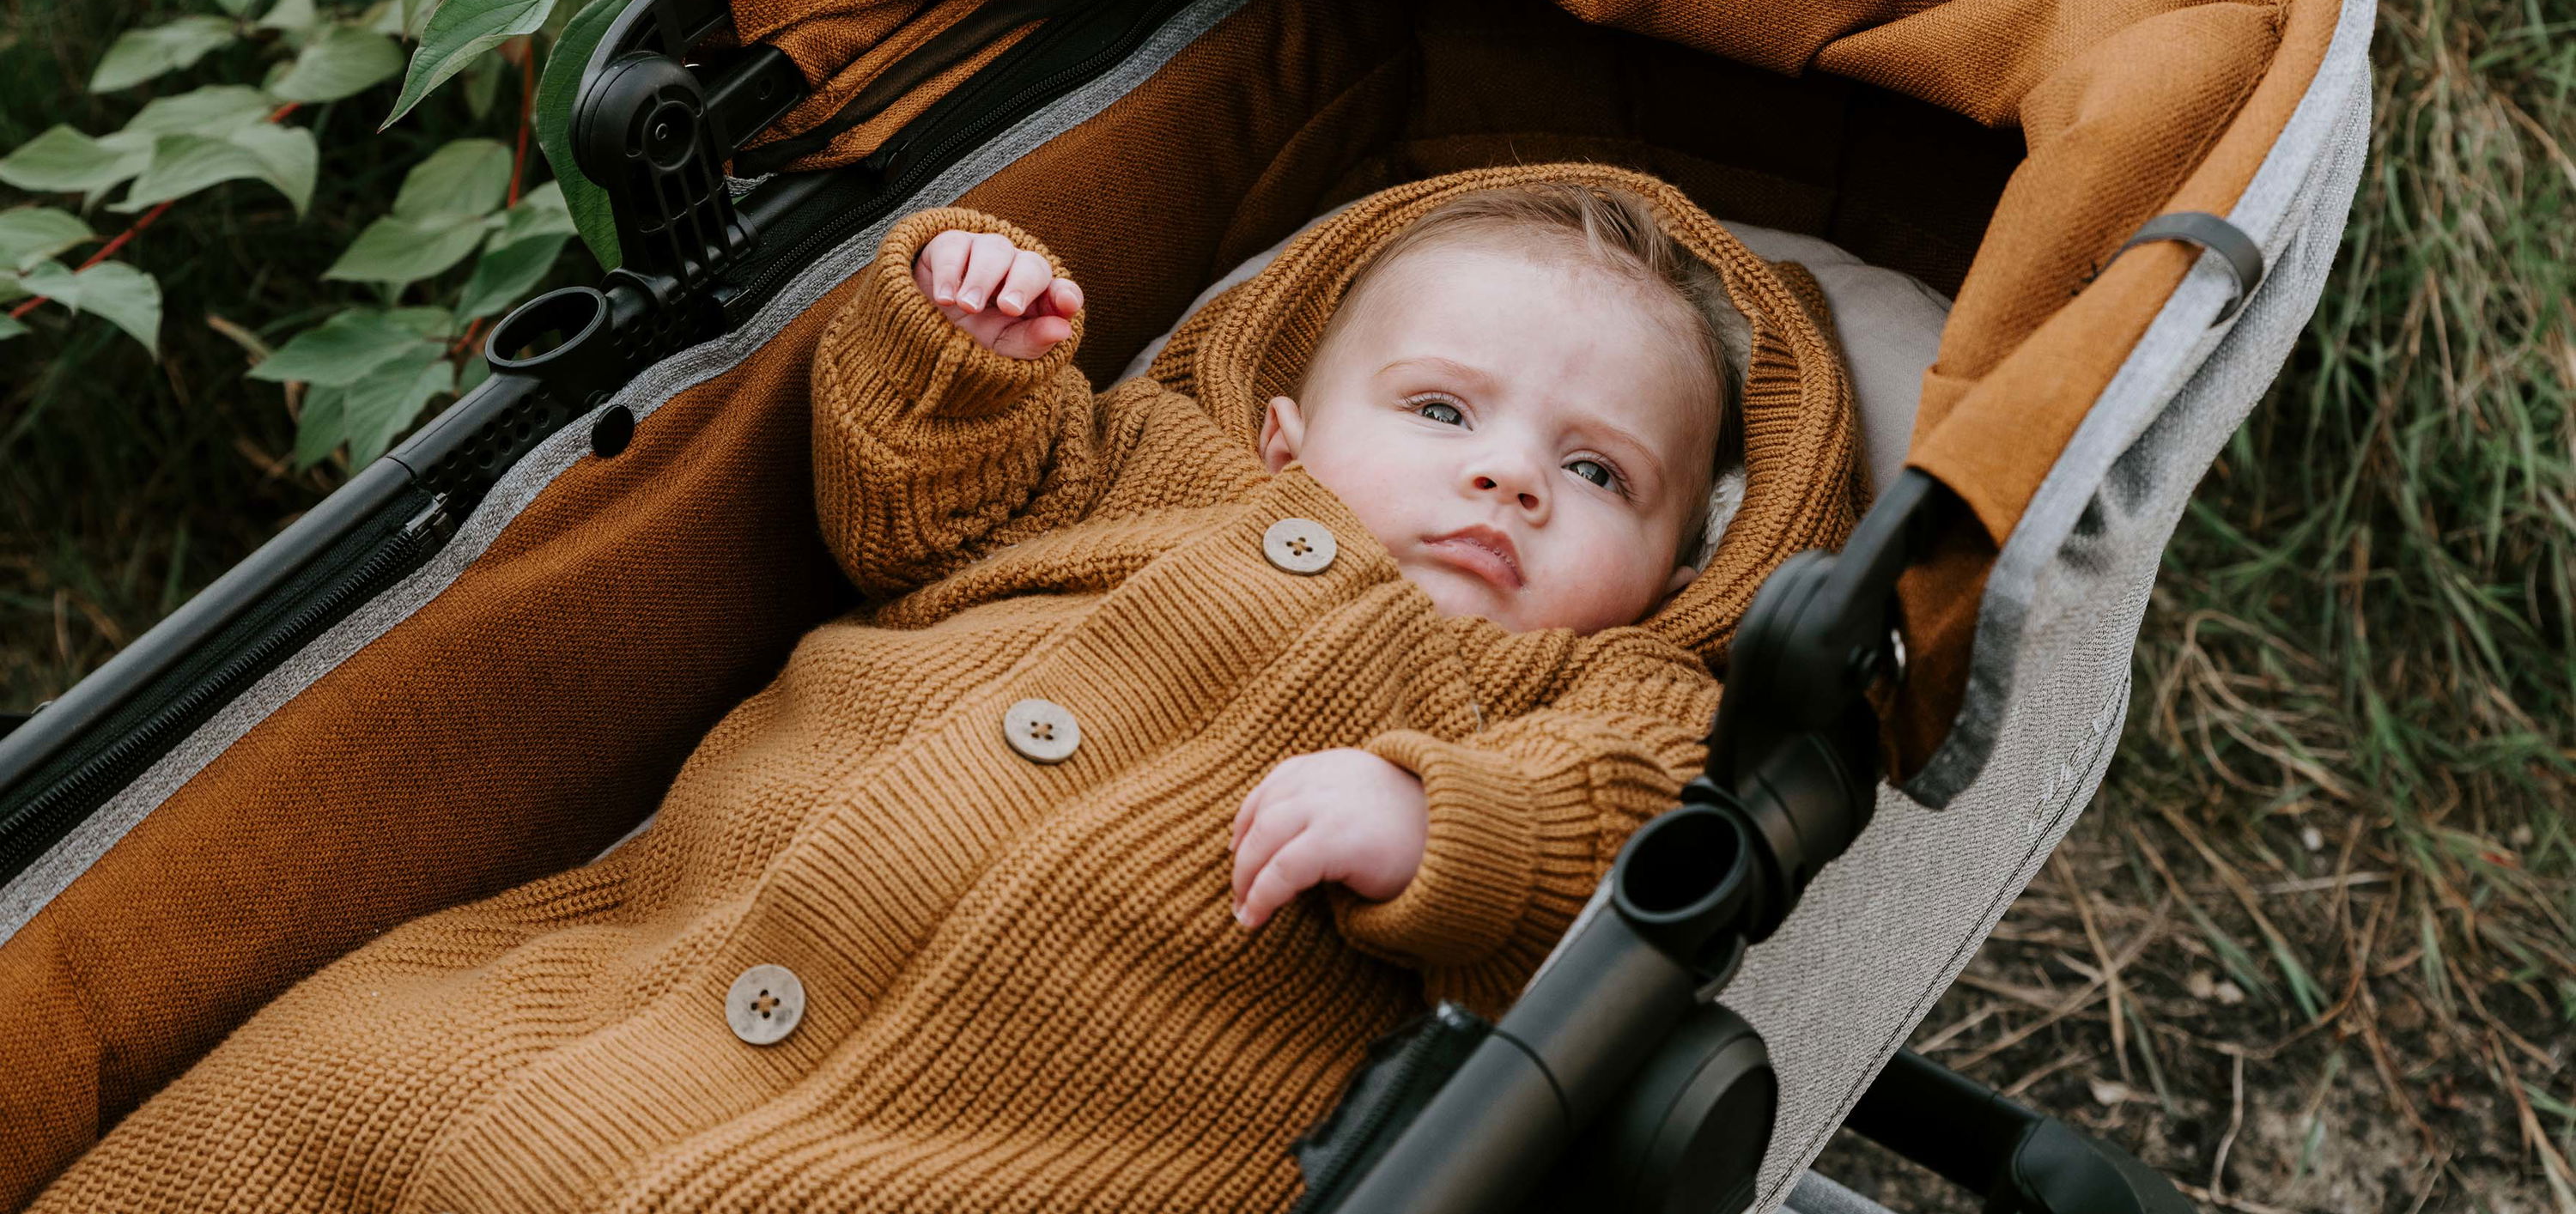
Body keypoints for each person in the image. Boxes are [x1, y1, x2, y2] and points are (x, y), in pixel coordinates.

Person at [34, 167, 1857, 1214]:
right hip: (602, 981)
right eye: (1444, 412)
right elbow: (913, 509)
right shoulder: (1146, 463)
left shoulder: (1600, 698)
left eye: (1599, 472)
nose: (1507, 479)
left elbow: (1622, 846)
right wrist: (960, 348)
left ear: (1687, 565)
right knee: (319, 1091)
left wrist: (1438, 821)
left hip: (977, 1147)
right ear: (1291, 429)